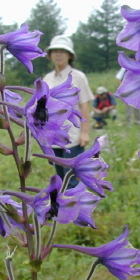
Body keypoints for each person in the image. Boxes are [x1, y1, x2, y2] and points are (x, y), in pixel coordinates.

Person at [43, 35, 94, 188]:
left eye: (63, 51)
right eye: (55, 51)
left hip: (73, 136)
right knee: (60, 176)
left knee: (73, 177)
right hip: (53, 136)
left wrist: (84, 132)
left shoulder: (78, 77)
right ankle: (64, 207)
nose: (58, 54)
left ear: (70, 55)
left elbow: (84, 105)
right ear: (50, 55)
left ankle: (77, 207)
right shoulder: (47, 78)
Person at [115, 60, 140, 125]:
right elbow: (119, 78)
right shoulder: (124, 67)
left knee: (136, 105)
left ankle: (138, 120)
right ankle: (128, 121)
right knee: (128, 106)